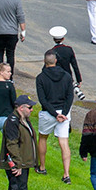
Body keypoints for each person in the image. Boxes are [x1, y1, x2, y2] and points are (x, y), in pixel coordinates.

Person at [0, 95, 39, 190]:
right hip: (17, 163)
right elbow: (12, 143)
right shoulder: (13, 121)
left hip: (24, 162)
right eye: (30, 107)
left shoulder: (24, 120)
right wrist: (17, 164)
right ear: (21, 108)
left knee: (13, 189)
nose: (32, 110)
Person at [34, 52, 75, 183]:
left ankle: (42, 167)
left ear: (44, 61)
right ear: (56, 61)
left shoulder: (40, 78)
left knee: (43, 137)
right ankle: (66, 174)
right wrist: (63, 113)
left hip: (48, 113)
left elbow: (43, 100)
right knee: (64, 143)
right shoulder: (67, 76)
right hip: (64, 113)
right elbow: (70, 97)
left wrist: (55, 114)